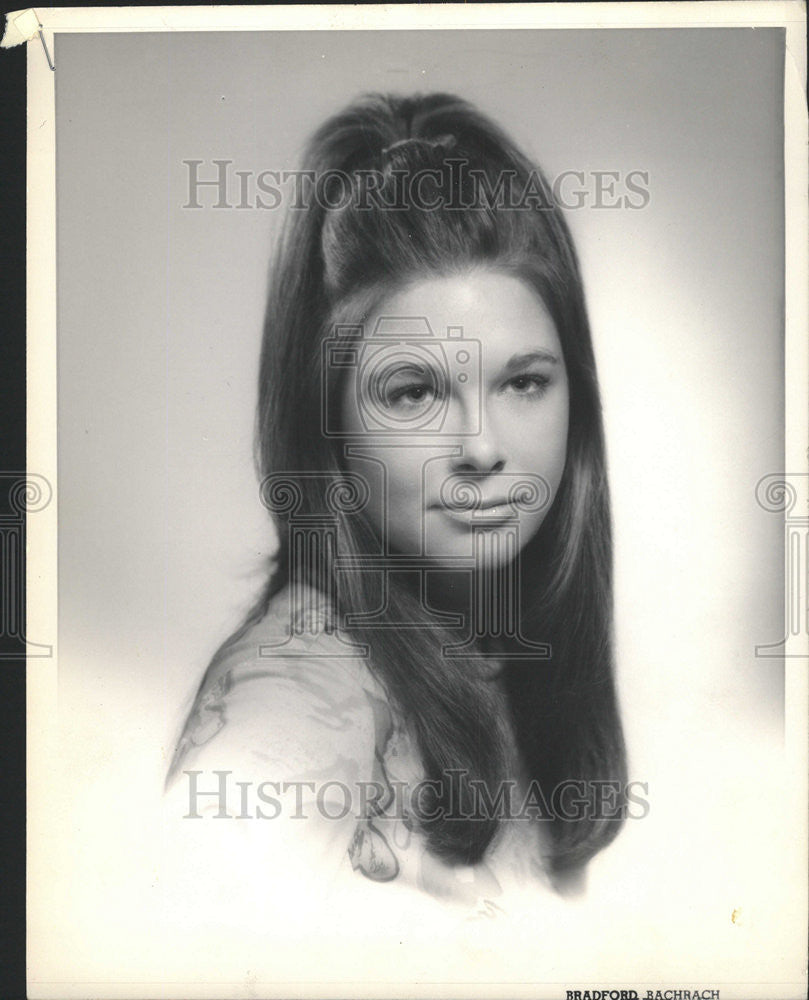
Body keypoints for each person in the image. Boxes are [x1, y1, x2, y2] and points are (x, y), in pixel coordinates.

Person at [165, 92, 627, 916]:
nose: (482, 447)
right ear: (327, 425)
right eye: (414, 392)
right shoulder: (294, 699)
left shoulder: (497, 651)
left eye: (523, 381)